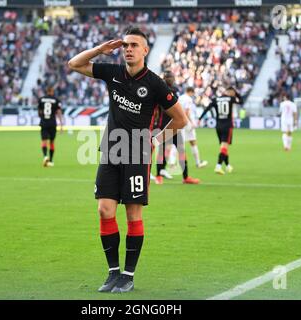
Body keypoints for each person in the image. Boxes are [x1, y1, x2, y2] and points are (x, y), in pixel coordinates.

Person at [68, 27, 188, 293]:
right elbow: (74, 64)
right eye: (125, 46)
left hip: (137, 153)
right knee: (104, 210)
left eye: (134, 45)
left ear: (145, 50)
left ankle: (128, 275)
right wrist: (101, 49)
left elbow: (180, 119)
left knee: (133, 215)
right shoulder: (113, 73)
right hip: (111, 150)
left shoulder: (156, 83)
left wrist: (155, 141)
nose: (128, 49)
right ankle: (112, 273)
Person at [154, 71, 200, 185]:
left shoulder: (173, 90)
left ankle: (185, 177)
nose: (170, 79)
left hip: (175, 124)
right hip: (164, 125)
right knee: (162, 151)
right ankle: (159, 175)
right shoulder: (162, 90)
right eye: (168, 77)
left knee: (180, 150)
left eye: (170, 77)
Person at [200, 87, 243, 175]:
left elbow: (207, 108)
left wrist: (200, 118)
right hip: (227, 126)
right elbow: (241, 101)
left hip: (218, 126)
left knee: (223, 146)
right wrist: (236, 93)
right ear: (230, 92)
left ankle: (228, 166)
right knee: (224, 147)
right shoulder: (231, 99)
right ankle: (218, 166)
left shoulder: (216, 99)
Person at [178, 87, 208, 169]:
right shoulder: (188, 99)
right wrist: (191, 122)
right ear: (190, 92)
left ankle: (173, 163)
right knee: (193, 142)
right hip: (187, 122)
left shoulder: (180, 98)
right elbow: (187, 112)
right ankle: (198, 162)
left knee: (179, 144)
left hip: (180, 122)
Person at [37, 86, 63, 167]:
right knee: (51, 142)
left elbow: (39, 112)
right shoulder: (56, 100)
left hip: (44, 123)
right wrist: (61, 124)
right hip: (52, 123)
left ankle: (45, 156)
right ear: (52, 91)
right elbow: (58, 112)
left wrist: (42, 117)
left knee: (44, 141)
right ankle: (51, 161)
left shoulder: (41, 99)